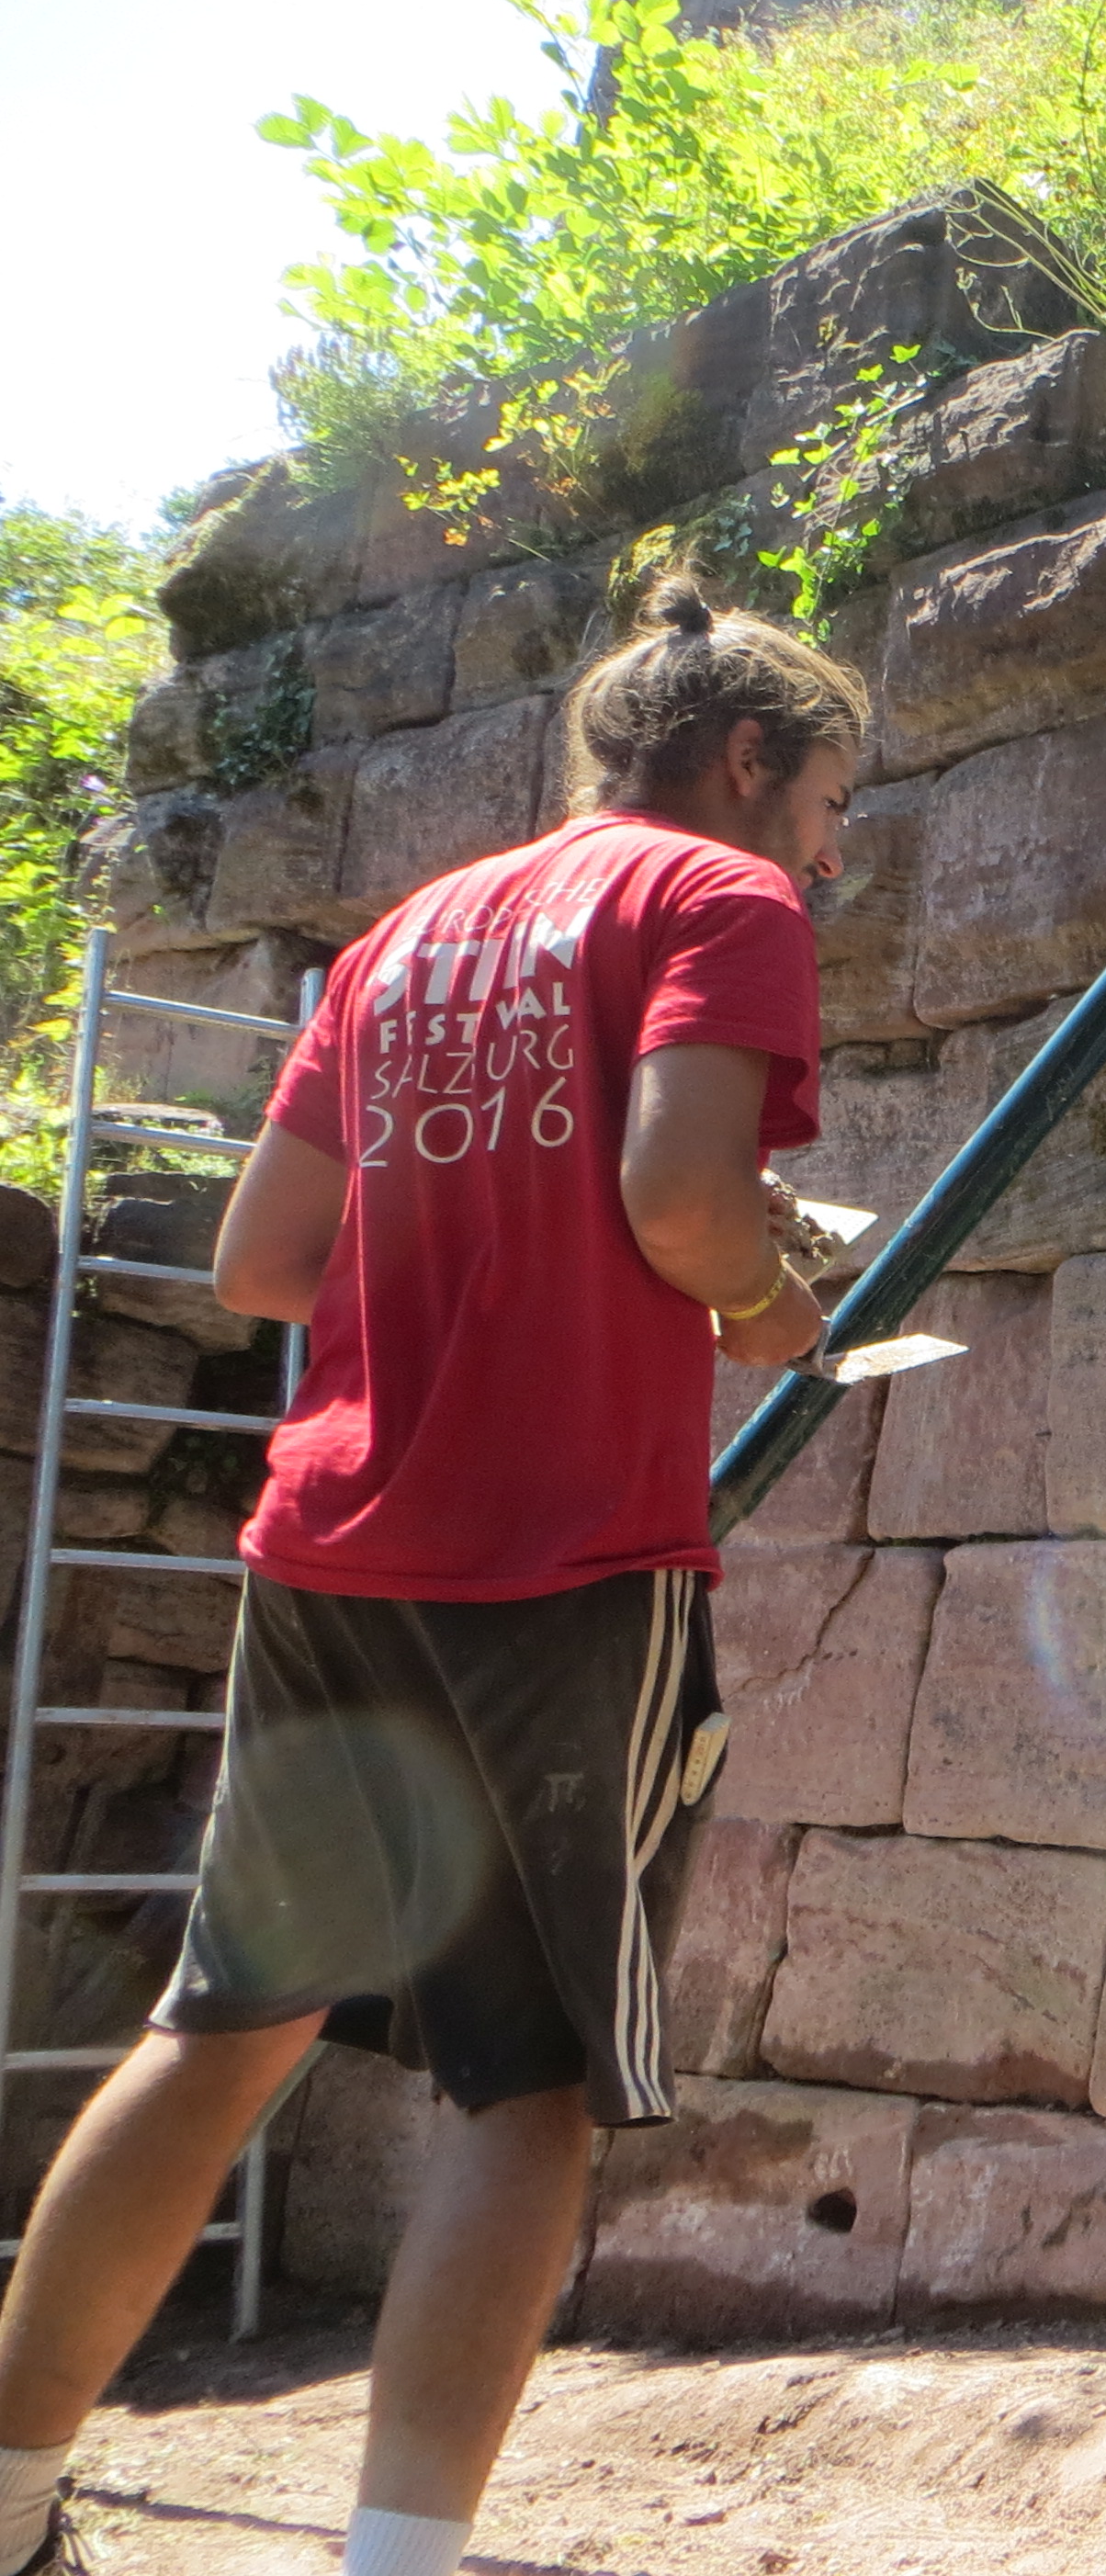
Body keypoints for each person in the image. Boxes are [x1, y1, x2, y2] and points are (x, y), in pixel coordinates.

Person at [0, 578, 852, 2576]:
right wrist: (769, 1302)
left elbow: (262, 1264)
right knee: (524, 2086)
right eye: (829, 801)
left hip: (335, 1541)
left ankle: (11, 2505)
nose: (830, 850)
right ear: (746, 758)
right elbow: (679, 1201)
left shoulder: (405, 936)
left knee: (227, 2027)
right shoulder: (723, 902)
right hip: (561, 1558)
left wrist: (487, 1253)